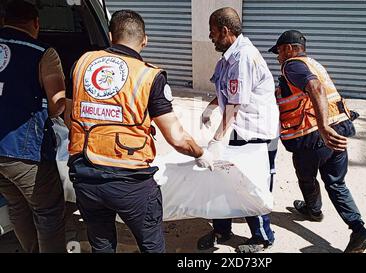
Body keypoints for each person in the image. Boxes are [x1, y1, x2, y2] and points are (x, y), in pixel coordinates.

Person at [65, 10, 213, 253]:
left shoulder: (82, 63)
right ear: (145, 40)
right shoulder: (149, 75)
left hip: (85, 176)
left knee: (101, 245)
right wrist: (200, 153)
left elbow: (68, 116)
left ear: (111, 35)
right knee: (151, 245)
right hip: (130, 182)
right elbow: (176, 138)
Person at [268, 30, 366, 252]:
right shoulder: (314, 64)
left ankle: (313, 211)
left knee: (306, 177)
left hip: (315, 136)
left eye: (278, 51)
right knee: (336, 183)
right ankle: (359, 229)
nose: (277, 57)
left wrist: (324, 127)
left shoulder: (292, 65)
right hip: (338, 132)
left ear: (288, 48)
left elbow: (314, 88)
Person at [197, 7, 280, 253]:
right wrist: (211, 108)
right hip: (238, 129)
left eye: (212, 32)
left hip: (254, 133)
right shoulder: (229, 57)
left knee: (249, 185)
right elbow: (225, 93)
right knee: (223, 180)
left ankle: (263, 237)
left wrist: (215, 142)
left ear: (225, 31)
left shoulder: (243, 58)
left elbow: (235, 104)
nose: (210, 37)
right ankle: (222, 229)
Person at [0, 0, 66, 253]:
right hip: (23, 150)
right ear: (36, 23)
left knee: (16, 204)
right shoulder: (42, 52)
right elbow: (58, 103)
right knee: (48, 211)